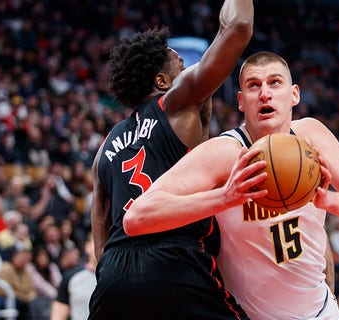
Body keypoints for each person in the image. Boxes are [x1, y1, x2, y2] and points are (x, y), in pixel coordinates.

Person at [124, 51, 339, 319]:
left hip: (323, 312)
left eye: (275, 82)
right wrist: (225, 197)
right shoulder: (226, 153)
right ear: (241, 101)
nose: (265, 93)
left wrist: (326, 200)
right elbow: (137, 217)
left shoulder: (312, 136)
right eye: (254, 85)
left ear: (294, 94)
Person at [87, 0, 254, 318]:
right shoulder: (176, 103)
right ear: (163, 83)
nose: (190, 70)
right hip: (174, 258)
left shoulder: (103, 149)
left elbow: (100, 245)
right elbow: (238, 27)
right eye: (181, 65)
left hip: (113, 276)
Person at [50, 234, 95, 320]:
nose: (102, 246)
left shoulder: (120, 277)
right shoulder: (71, 277)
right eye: (96, 241)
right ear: (88, 246)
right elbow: (57, 316)